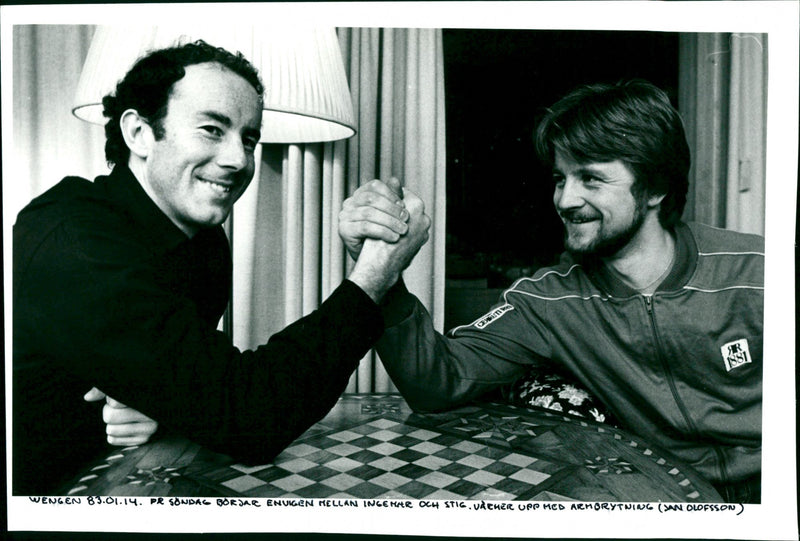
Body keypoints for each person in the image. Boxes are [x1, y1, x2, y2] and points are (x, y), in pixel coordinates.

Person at [12, 40, 430, 495]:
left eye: (248, 138)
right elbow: (245, 414)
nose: (239, 159)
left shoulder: (204, 239)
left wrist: (163, 400)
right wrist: (374, 273)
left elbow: (199, 387)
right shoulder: (74, 242)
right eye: (213, 129)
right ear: (138, 133)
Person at [338, 80, 763, 503]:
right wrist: (383, 270)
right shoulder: (547, 300)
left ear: (655, 189)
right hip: (672, 501)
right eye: (561, 178)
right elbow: (438, 382)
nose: (565, 199)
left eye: (592, 179)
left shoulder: (758, 271)